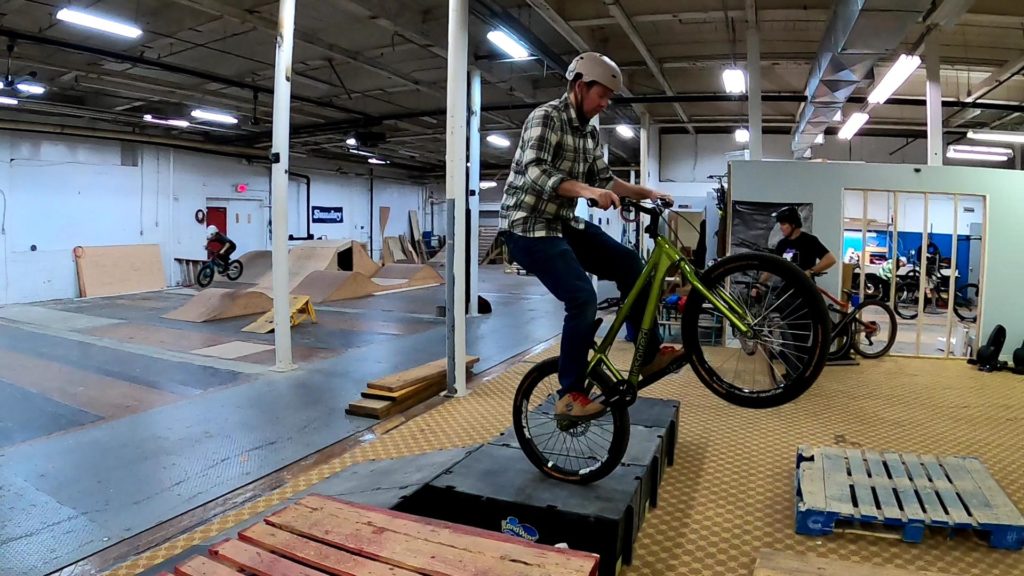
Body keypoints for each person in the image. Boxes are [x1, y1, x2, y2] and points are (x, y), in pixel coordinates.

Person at [498, 51, 684, 419]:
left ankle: (647, 356)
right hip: (526, 227)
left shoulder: (589, 132)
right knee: (582, 298)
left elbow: (602, 178)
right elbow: (535, 170)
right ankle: (569, 394)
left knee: (631, 263)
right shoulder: (545, 117)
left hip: (561, 222)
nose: (605, 104)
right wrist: (587, 193)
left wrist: (645, 192)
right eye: (602, 95)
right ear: (580, 87)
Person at [770, 206, 836, 277]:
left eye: (783, 224)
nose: (781, 228)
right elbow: (772, 267)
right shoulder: (782, 244)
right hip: (785, 285)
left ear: (793, 225)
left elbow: (830, 259)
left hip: (805, 286)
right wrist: (759, 284)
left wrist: (810, 272)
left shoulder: (810, 241)